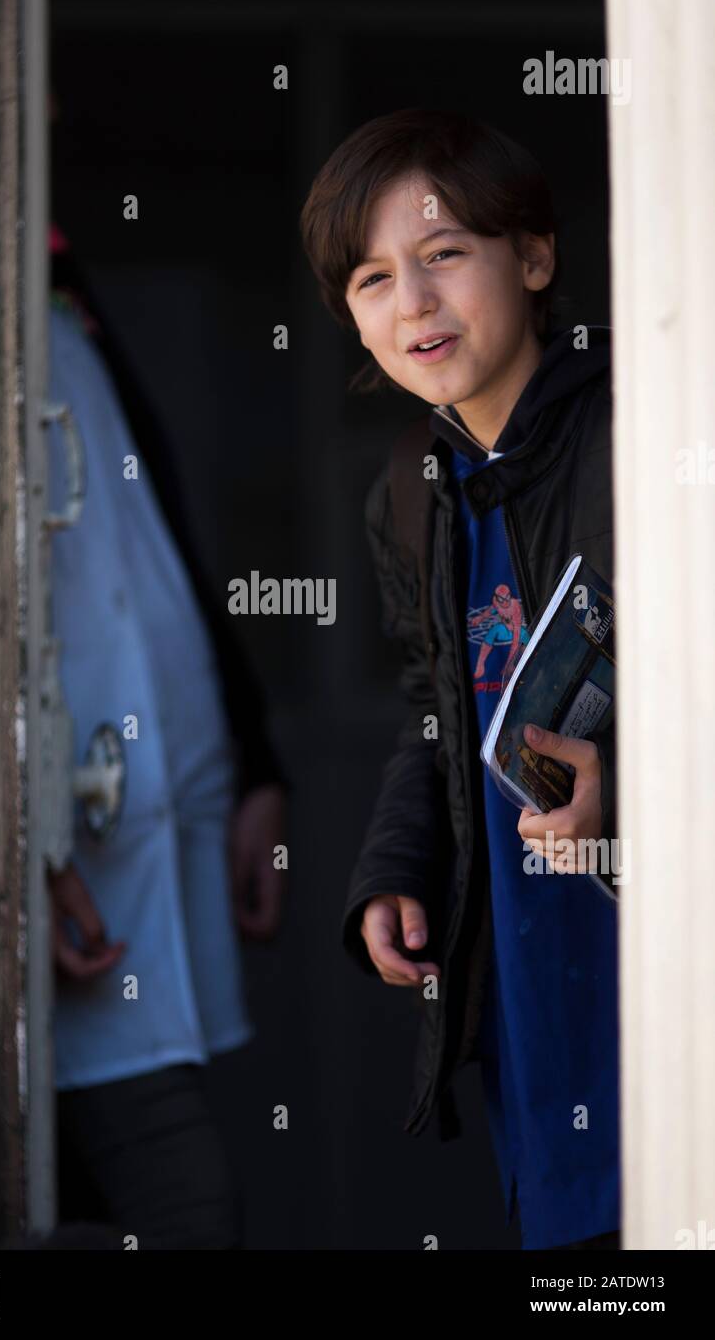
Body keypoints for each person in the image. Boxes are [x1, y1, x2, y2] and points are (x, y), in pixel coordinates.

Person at [300, 109, 620, 1251]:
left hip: (652, 939)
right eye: (374, 277)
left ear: (531, 258)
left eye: (443, 255)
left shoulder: (642, 433)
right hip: (525, 962)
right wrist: (396, 864)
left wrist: (623, 786)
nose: (413, 305)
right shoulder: (408, 485)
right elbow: (437, 703)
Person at [45, 224, 287, 1249]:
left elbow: (158, 539)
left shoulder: (62, 280)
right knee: (182, 1198)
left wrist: (251, 765)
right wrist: (24, 844)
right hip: (68, 849)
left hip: (168, 803)